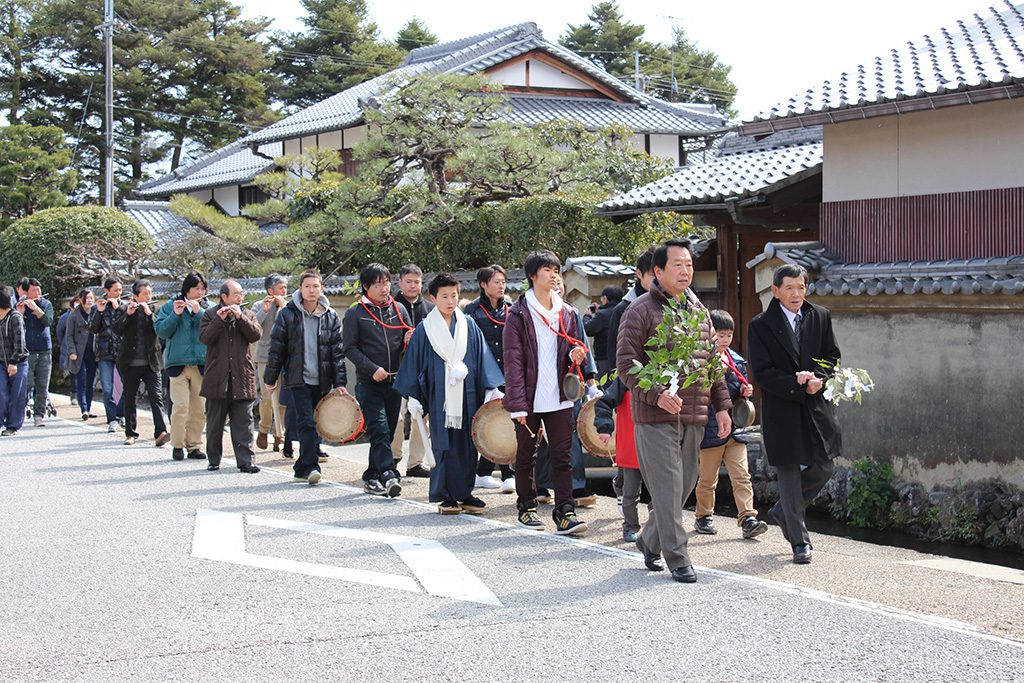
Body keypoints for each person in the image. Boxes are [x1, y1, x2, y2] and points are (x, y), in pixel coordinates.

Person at [617, 238, 733, 583]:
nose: (685, 271)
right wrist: (656, 394)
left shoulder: (699, 310)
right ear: (657, 271)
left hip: (694, 413)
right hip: (655, 417)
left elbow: (713, 363)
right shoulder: (639, 310)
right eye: (677, 265)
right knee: (667, 489)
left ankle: (648, 541)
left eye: (689, 265)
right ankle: (678, 557)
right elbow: (626, 366)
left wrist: (723, 406)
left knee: (684, 486)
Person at [748, 264, 842, 565]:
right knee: (788, 471)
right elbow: (762, 372)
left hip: (815, 405)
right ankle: (800, 542)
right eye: (789, 287)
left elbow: (832, 356)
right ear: (775, 291)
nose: (796, 293)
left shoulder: (820, 316)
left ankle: (782, 512)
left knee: (824, 466)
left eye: (801, 287)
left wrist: (818, 378)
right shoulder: (761, 324)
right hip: (782, 407)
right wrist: (798, 385)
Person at [394, 272, 504, 514]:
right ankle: (445, 494)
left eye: (454, 295)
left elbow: (482, 357)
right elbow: (414, 362)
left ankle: (464, 492)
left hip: (468, 391)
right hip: (439, 395)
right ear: (433, 298)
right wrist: (413, 395)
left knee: (467, 443)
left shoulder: (468, 325)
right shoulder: (425, 329)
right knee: (443, 443)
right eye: (444, 296)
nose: (450, 301)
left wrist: (491, 387)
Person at [503, 250, 588, 535]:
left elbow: (575, 348)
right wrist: (517, 406)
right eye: (548, 270)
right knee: (527, 454)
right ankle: (526, 507)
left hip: (559, 395)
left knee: (563, 455)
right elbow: (513, 362)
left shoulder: (567, 312)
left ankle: (565, 512)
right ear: (532, 276)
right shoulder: (518, 314)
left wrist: (577, 354)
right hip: (529, 397)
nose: (554, 275)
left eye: (556, 270)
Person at [264, 270, 347, 486]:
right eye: (307, 286)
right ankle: (311, 466)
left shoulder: (330, 316)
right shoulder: (288, 314)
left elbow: (337, 353)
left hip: (322, 379)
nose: (311, 290)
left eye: (315, 286)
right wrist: (270, 378)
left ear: (321, 289)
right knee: (306, 422)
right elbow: (277, 348)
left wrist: (340, 384)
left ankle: (301, 466)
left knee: (316, 423)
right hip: (297, 377)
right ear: (300, 289)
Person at [693, 310, 768, 540]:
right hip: (712, 426)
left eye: (728, 335)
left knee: (742, 475)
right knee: (708, 479)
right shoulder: (701, 360)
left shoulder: (736, 360)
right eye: (720, 334)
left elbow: (737, 395)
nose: (724, 340)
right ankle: (703, 516)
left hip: (735, 427)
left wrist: (746, 392)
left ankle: (748, 517)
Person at [343, 263, 411, 497]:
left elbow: (407, 339)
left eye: (387, 283)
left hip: (395, 382)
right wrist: (372, 369)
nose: (384, 288)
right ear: (366, 287)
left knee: (389, 430)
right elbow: (350, 349)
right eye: (378, 284)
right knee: (379, 429)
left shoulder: (399, 309)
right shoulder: (356, 313)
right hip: (369, 382)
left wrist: (410, 338)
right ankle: (389, 474)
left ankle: (371, 476)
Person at [200, 279, 262, 473]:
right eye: (236, 294)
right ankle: (214, 459)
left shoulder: (248, 313)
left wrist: (240, 317)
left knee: (244, 421)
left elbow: (255, 335)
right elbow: (205, 338)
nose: (240, 297)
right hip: (217, 377)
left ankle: (246, 461)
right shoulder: (209, 314)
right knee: (215, 422)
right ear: (224, 297)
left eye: (241, 294)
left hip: (242, 375)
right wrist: (220, 319)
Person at [463, 264, 515, 492]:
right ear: (483, 285)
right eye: (496, 282)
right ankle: (481, 472)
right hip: (480, 377)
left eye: (503, 281)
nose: (501, 286)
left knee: (507, 422)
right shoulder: (471, 313)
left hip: (508, 375)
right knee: (483, 423)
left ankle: (504, 474)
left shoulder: (511, 310)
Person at [154, 271, 210, 462]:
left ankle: (194, 446)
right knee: (180, 406)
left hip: (200, 364)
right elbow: (161, 331)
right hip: (177, 363)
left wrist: (199, 312)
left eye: (203, 289)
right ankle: (177, 445)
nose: (200, 292)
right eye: (197, 289)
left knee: (198, 408)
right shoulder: (171, 305)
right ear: (187, 289)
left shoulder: (207, 307)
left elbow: (212, 330)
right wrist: (176, 315)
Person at [112, 280, 170, 447]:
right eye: (144, 294)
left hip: (152, 362)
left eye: (150, 294)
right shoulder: (124, 309)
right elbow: (116, 330)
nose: (148, 297)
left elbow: (160, 331)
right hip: (130, 363)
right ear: (135, 296)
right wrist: (128, 315)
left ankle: (160, 432)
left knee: (156, 397)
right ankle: (130, 433)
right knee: (130, 398)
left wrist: (149, 314)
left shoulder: (156, 310)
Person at [390, 263, 434, 478]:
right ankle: (393, 457)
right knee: (397, 416)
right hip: (397, 368)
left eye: (417, 282)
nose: (413, 286)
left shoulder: (430, 308)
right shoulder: (390, 307)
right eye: (408, 281)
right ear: (400, 282)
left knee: (421, 417)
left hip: (423, 370)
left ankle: (415, 462)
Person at [593, 379, 647, 542]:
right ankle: (630, 526)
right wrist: (604, 427)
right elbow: (604, 403)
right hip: (630, 444)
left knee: (660, 493)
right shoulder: (626, 378)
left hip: (655, 445)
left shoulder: (666, 372)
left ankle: (659, 527)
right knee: (630, 492)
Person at [252, 274, 288, 452]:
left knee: (282, 399)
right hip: (265, 357)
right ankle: (263, 429)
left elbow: (289, 325)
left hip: (285, 358)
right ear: (270, 290)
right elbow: (253, 327)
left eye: (285, 288)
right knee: (267, 397)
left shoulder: (287, 307)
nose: (284, 291)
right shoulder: (259, 305)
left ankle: (279, 434)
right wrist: (265, 310)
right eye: (281, 288)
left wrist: (282, 307)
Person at [15, 278, 54, 427]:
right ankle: (19, 414)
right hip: (27, 351)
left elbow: (47, 321)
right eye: (33, 290)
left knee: (42, 385)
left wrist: (35, 308)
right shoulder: (20, 306)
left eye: (39, 290)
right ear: (26, 292)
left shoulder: (46, 304)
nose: (37, 293)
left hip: (45, 349)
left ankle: (39, 416)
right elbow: (15, 325)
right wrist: (20, 312)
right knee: (26, 384)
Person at [90, 277, 125, 432]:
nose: (119, 293)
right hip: (105, 352)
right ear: (107, 291)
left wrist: (118, 309)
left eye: (120, 290)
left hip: (123, 351)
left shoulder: (124, 306)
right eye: (115, 290)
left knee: (127, 385)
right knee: (107, 388)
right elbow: (93, 328)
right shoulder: (97, 307)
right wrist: (99, 312)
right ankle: (111, 419)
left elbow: (126, 326)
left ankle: (122, 414)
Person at [65, 288, 99, 420]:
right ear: (80, 299)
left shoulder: (96, 312)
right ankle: (83, 408)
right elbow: (69, 336)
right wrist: (72, 352)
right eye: (87, 298)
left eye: (91, 298)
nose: (89, 300)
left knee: (91, 381)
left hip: (93, 351)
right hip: (79, 353)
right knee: (82, 380)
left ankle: (88, 407)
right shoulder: (73, 315)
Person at [0, 286, 29, 436]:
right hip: (1, 363)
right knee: (1, 392)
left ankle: (12, 425)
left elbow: (20, 345)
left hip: (18, 361)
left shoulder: (15, 318)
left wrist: (13, 362)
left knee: (17, 394)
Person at [583, 284, 624, 377]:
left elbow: (587, 329)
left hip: (605, 360)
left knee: (605, 387)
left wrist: (587, 316)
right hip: (622, 358)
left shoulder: (602, 315)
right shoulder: (624, 310)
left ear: (605, 298)